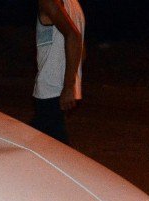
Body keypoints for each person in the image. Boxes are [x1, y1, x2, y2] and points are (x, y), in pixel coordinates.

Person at [32, 0, 85, 145]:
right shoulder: (74, 4)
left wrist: (68, 87)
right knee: (51, 147)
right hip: (58, 89)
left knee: (35, 146)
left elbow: (74, 37)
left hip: (51, 89)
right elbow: (80, 46)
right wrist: (74, 83)